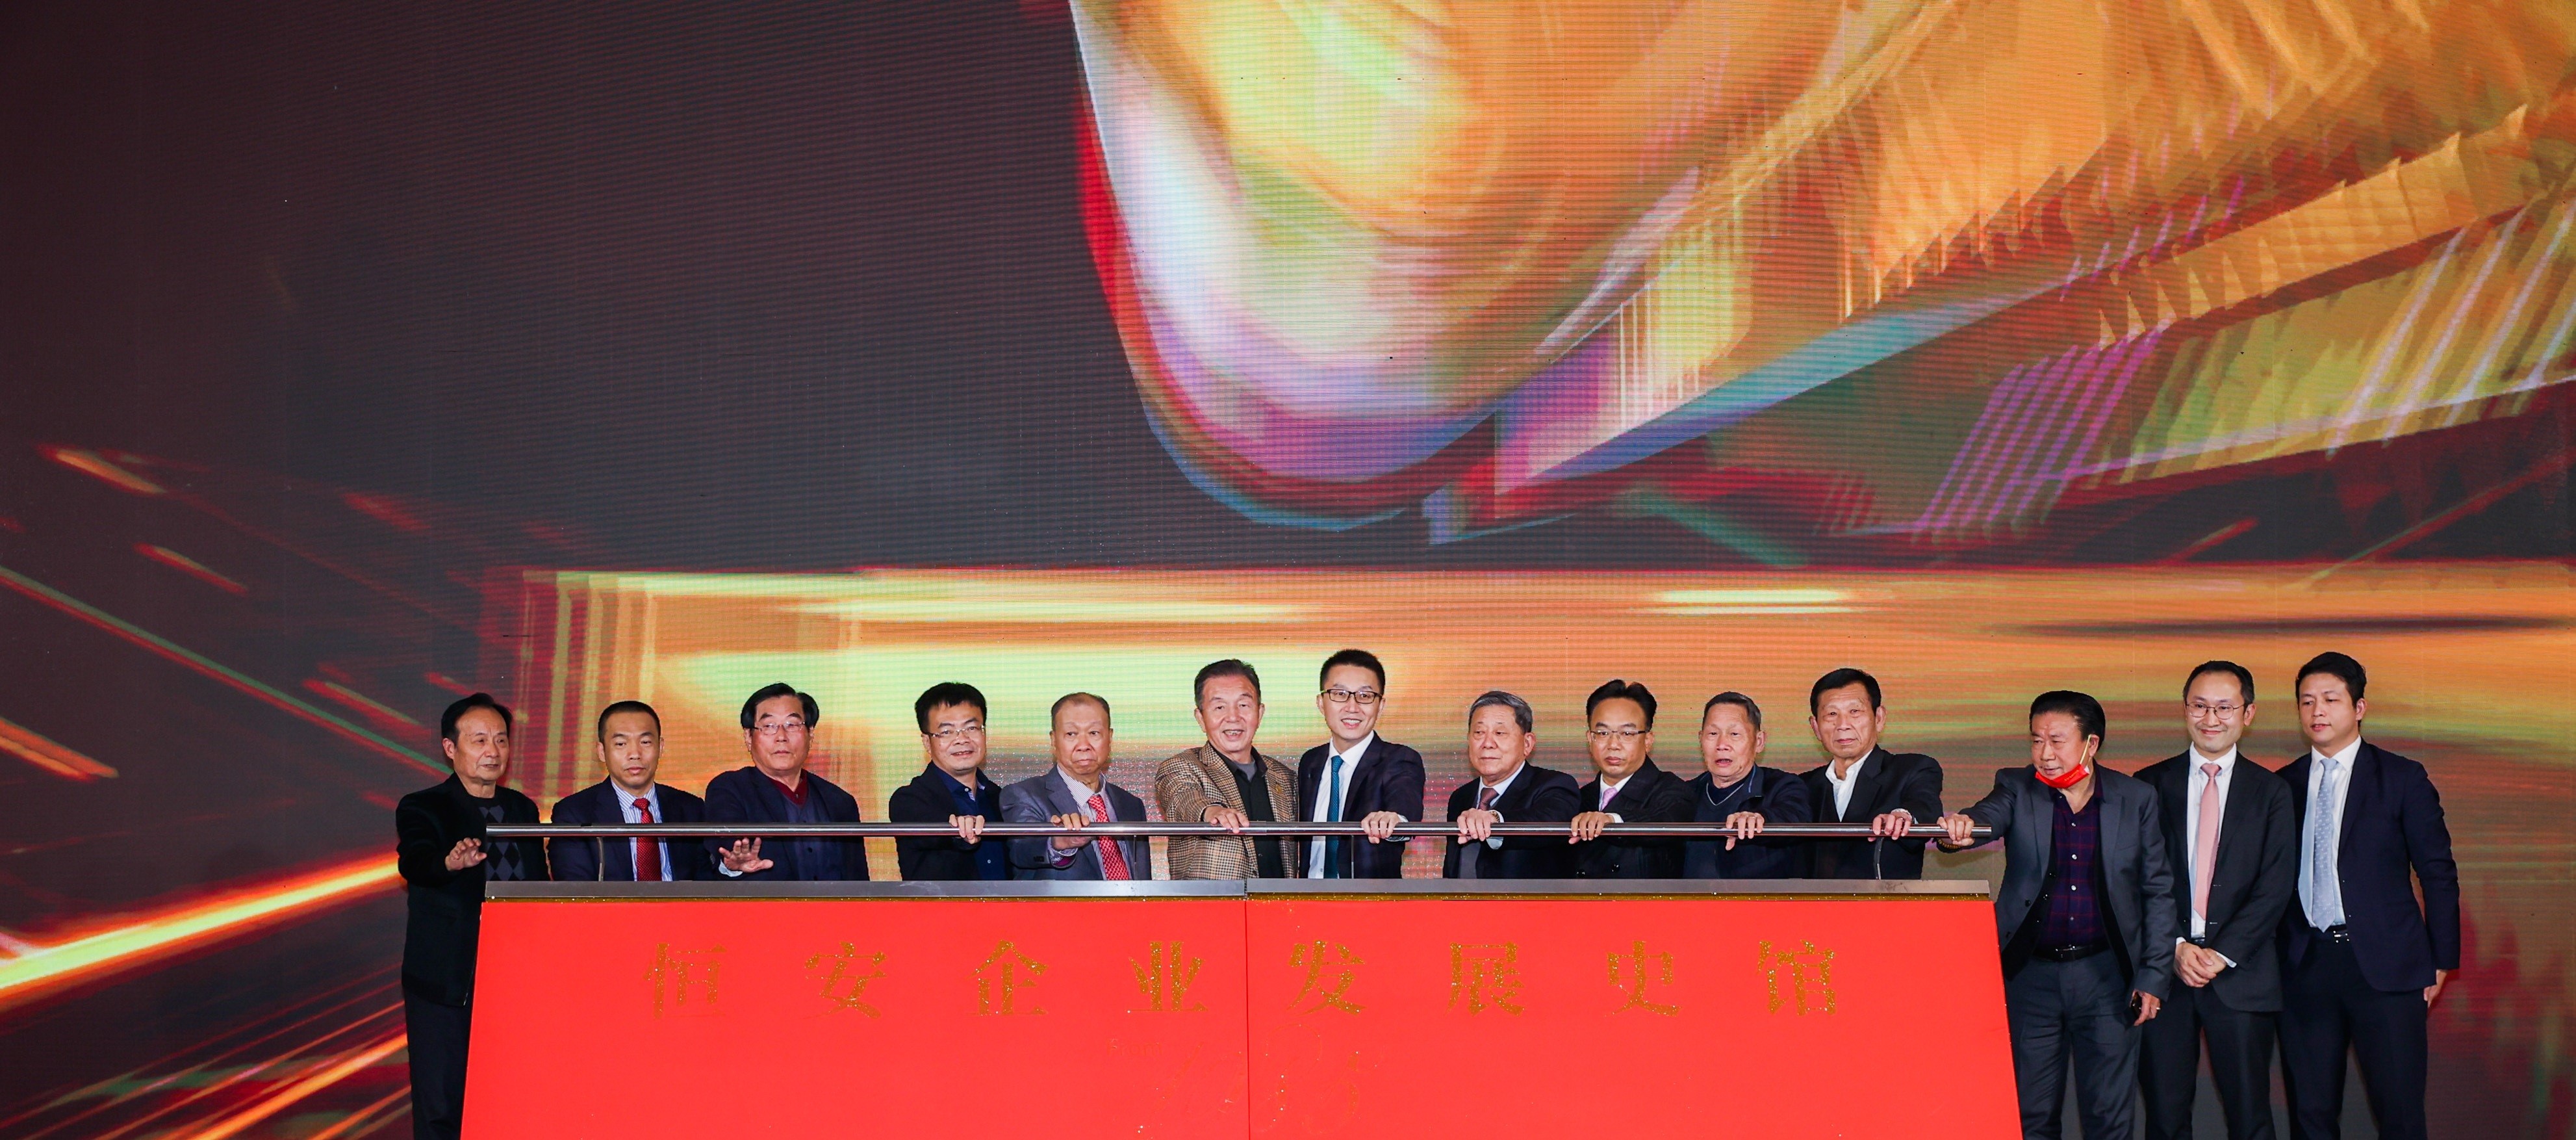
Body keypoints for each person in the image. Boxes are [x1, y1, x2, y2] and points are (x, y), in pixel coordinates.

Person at [1939, 691, 2177, 1140]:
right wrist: (1960, 830)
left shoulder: (2135, 798)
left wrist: (2152, 976)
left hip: (2108, 978)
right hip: (2032, 978)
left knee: (2109, 1119)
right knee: (2031, 1115)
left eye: (2056, 741)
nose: (2044, 754)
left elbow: (2158, 892)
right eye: (2036, 741)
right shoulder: (2016, 786)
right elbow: (1984, 817)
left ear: (2091, 743)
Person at [2275, 653, 2458, 1140]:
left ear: (2359, 708)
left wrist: (2441, 960)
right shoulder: (2282, 785)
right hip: (2304, 965)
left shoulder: (2401, 777)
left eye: (2330, 699)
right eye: (2306, 701)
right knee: (2310, 1116)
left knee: (2399, 1114)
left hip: (2387, 966)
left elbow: (2437, 872)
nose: (2317, 710)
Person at [2134, 662, 2299, 1140]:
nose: (2211, 719)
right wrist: (2175, 946)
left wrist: (2221, 954)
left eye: (2224, 708)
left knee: (2251, 1117)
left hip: (2241, 975)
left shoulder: (2272, 791)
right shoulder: (2147, 785)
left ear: (2248, 713)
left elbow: (2275, 886)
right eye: (2200, 706)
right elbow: (2134, 880)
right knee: (2164, 1118)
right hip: (2163, 975)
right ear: (2185, 709)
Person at [394, 693, 546, 1140]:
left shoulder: (522, 809)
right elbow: (415, 862)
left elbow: (538, 884)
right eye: (479, 740)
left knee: (510, 1097)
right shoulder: (423, 806)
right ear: (450, 747)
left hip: (514, 976)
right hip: (448, 978)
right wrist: (450, 862)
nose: (493, 751)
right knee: (442, 1104)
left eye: (501, 740)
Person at [704, 682, 870, 881]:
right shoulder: (730, 789)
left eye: (792, 725)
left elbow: (859, 881)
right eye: (769, 726)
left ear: (811, 733)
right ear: (748, 737)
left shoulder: (840, 801)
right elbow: (726, 849)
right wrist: (735, 865)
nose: (781, 737)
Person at [1154, 660, 1299, 879]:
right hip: (1214, 901)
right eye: (1220, 707)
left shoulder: (1285, 778)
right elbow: (1183, 798)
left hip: (1280, 899)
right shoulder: (1181, 766)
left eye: (1243, 705)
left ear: (1260, 713)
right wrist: (1212, 812)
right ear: (1201, 718)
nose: (1233, 717)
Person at [1799, 667, 1943, 879]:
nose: (1843, 725)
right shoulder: (1800, 787)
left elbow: (1924, 806)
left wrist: (1903, 816)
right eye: (1831, 714)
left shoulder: (1912, 769)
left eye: (1855, 711)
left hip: (1887, 900)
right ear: (1816, 727)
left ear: (1879, 717)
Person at [548, 699, 714, 881]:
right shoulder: (574, 813)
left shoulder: (691, 808)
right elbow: (576, 887)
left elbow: (707, 881)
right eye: (621, 744)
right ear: (602, 751)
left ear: (661, 747)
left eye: (645, 742)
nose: (635, 754)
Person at [1295, 649, 1424, 879]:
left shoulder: (1399, 759)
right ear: (1321, 703)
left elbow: (1405, 805)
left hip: (1369, 899)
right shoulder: (1310, 762)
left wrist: (1395, 820)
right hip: (1306, 895)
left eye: (1365, 696)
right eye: (1340, 694)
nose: (1352, 706)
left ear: (1381, 705)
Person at [1001, 692, 1152, 880]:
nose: (1084, 745)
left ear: (1110, 737)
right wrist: (1058, 843)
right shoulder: (1024, 795)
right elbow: (1022, 850)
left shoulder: (1132, 804)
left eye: (1094, 733)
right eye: (1071, 734)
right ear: (1053, 740)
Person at [1444, 690, 1582, 879]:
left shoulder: (1554, 785)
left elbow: (1550, 822)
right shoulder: (1460, 797)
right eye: (1479, 732)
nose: (1487, 743)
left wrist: (1495, 820)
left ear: (1527, 743)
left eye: (1500, 733)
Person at [1567, 679, 1693, 877]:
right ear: (1590, 739)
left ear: (1648, 740)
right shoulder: (1579, 796)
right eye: (1603, 733)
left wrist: (1612, 821)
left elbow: (1665, 819)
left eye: (1627, 733)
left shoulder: (1672, 790)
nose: (1613, 744)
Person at [1680, 692, 1813, 879]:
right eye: (1713, 734)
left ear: (1759, 742)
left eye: (1734, 734)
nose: (1722, 745)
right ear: (1701, 739)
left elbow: (1796, 817)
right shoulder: (1684, 794)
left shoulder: (1783, 786)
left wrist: (1760, 819)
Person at [887, 682, 1009, 881]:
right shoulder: (909, 800)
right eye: (946, 732)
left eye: (971, 728)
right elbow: (934, 837)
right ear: (927, 742)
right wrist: (960, 833)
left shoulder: (1001, 797)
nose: (962, 739)